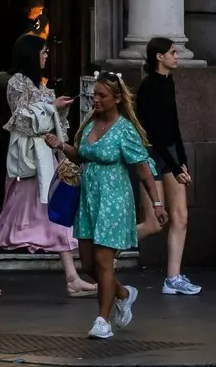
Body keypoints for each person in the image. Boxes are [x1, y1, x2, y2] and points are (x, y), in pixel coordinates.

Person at [0, 35, 92, 298]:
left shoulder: (41, 85)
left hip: (45, 160)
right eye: (43, 52)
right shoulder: (17, 82)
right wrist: (51, 107)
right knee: (11, 215)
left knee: (57, 216)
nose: (46, 56)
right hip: (28, 163)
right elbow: (20, 119)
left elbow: (48, 119)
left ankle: (72, 277)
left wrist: (58, 110)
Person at [45, 72, 160, 341]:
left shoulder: (125, 130)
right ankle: (122, 293)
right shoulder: (89, 125)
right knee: (87, 264)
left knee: (104, 262)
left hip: (114, 201)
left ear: (117, 99)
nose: (95, 99)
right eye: (93, 94)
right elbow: (81, 156)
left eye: (101, 95)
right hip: (89, 200)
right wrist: (61, 145)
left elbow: (143, 169)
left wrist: (156, 203)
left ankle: (102, 320)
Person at [136, 35, 200, 297]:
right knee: (153, 223)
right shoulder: (148, 86)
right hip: (152, 154)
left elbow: (173, 126)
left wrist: (181, 161)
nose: (176, 56)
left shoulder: (168, 82)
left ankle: (173, 277)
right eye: (172, 52)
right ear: (159, 57)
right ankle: (106, 250)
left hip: (171, 154)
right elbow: (155, 132)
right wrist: (175, 166)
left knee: (181, 216)